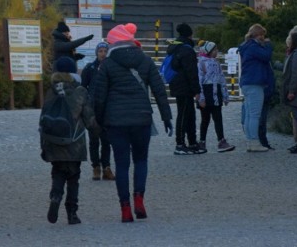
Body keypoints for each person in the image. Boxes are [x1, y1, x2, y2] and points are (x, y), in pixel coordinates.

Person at [90, 23, 173, 223]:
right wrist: (166, 116)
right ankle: (139, 200)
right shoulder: (145, 60)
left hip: (116, 121)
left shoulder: (107, 65)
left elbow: (99, 97)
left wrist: (99, 121)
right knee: (141, 160)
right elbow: (159, 89)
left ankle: (125, 209)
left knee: (121, 164)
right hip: (141, 118)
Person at [39, 58, 98, 225]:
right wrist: (99, 133)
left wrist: (43, 145)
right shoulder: (79, 91)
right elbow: (89, 119)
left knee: (57, 172)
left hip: (53, 141)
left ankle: (55, 196)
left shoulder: (50, 91)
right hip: (74, 143)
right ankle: (72, 214)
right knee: (73, 177)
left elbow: (43, 119)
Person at [167, 23, 204, 155]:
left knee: (187, 114)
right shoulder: (187, 50)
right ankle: (181, 143)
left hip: (177, 84)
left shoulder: (175, 47)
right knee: (184, 115)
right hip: (185, 86)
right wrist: (197, 90)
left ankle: (191, 143)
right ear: (190, 34)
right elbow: (191, 72)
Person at [81, 41, 114, 181]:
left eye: (105, 51)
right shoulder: (90, 68)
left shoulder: (111, 68)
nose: (103, 53)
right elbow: (83, 87)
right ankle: (96, 166)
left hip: (107, 108)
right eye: (100, 51)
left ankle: (106, 166)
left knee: (106, 140)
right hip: (93, 109)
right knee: (94, 140)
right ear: (96, 53)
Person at [238, 24, 274, 152]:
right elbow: (266, 56)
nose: (264, 38)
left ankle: (250, 140)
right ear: (258, 35)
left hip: (247, 83)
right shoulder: (253, 46)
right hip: (255, 83)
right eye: (262, 35)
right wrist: (269, 45)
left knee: (249, 114)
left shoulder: (246, 46)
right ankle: (254, 141)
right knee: (254, 115)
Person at [196, 40, 235, 153]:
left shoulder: (217, 63)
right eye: (214, 50)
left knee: (218, 118)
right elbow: (199, 81)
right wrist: (201, 98)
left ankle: (221, 141)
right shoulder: (201, 63)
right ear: (209, 51)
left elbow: (222, 79)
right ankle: (202, 142)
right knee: (205, 119)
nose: (216, 51)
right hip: (206, 92)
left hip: (216, 93)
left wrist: (225, 95)